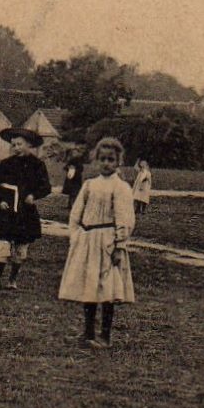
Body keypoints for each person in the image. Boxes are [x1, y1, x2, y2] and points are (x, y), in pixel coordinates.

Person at [58, 136, 137, 348]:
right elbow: (76, 213)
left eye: (111, 159)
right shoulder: (89, 185)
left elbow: (125, 219)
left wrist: (119, 246)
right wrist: (76, 236)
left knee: (107, 288)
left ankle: (105, 335)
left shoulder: (120, 188)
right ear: (95, 160)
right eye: (102, 159)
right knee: (89, 286)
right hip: (88, 240)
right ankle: (88, 332)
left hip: (108, 242)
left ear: (118, 161)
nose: (106, 163)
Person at [0, 127, 54, 290]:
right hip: (7, 211)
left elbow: (46, 187)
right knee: (2, 244)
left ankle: (12, 279)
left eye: (19, 144)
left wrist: (33, 195)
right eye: (13, 145)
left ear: (29, 145)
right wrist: (0, 200)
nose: (16, 148)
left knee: (21, 246)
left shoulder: (37, 165)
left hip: (25, 212)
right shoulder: (5, 164)